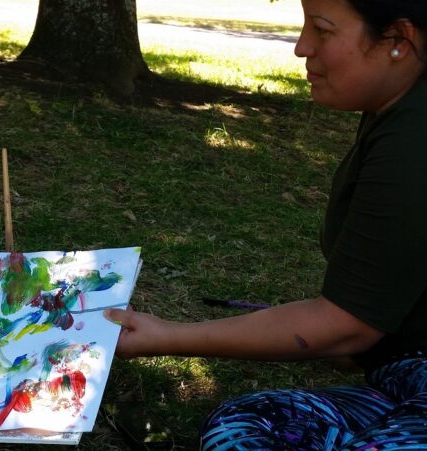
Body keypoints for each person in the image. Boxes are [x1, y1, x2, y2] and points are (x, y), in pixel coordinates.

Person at [104, 0, 427, 448]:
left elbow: (346, 323)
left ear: (398, 41)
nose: (301, 47)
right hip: (398, 375)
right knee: (242, 427)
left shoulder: (415, 141)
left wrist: (169, 335)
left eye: (322, 29)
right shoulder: (393, 107)